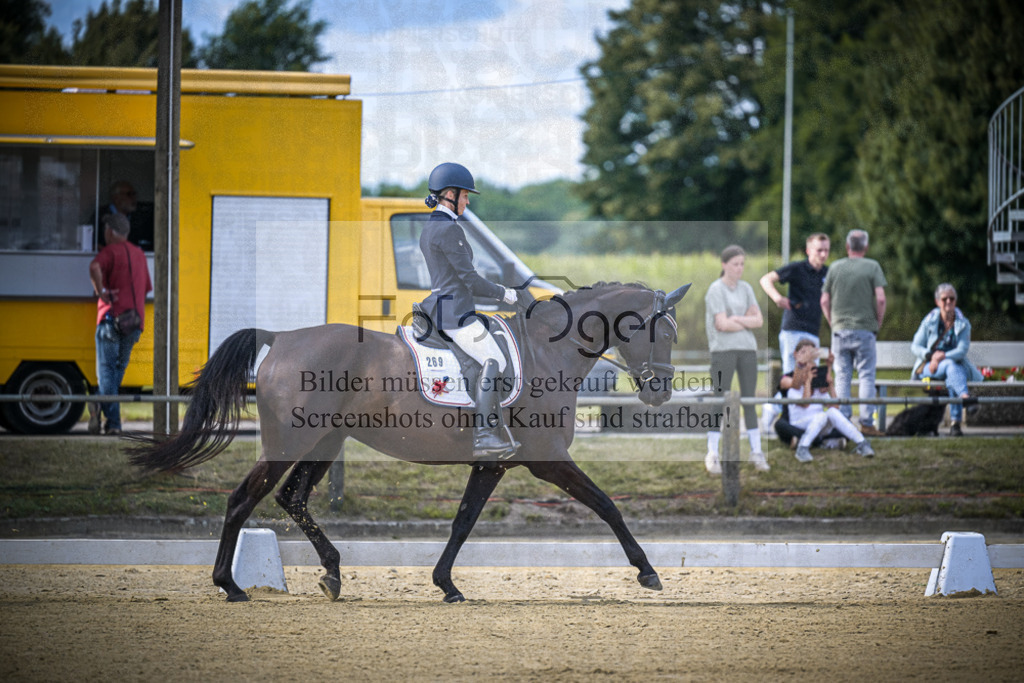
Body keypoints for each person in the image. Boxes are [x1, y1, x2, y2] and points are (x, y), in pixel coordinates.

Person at [417, 162, 520, 462]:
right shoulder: (448, 229)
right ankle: (485, 435)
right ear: (450, 194)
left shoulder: (432, 226)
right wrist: (507, 294)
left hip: (442, 306)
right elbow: (470, 280)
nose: (468, 201)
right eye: (465, 195)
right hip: (455, 314)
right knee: (495, 359)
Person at [703, 245, 769, 474]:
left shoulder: (747, 288)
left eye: (742, 264)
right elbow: (721, 324)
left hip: (747, 350)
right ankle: (712, 452)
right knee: (719, 399)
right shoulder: (715, 290)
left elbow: (758, 320)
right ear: (724, 265)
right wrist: (745, 320)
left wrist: (736, 319)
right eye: (735, 264)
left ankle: (756, 451)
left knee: (749, 400)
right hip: (723, 351)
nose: (740, 268)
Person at [758, 232, 831, 432]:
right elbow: (766, 280)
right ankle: (770, 416)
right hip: (793, 330)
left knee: (809, 378)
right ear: (809, 250)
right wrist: (777, 298)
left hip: (813, 332)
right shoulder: (797, 268)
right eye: (819, 250)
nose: (823, 255)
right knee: (793, 379)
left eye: (826, 250)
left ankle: (798, 419)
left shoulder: (828, 273)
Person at [88, 213, 152, 435]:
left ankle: (112, 421)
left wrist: (101, 292)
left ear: (110, 232)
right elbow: (145, 289)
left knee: (106, 372)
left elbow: (94, 267)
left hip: (110, 320)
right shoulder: (140, 255)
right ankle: (100, 406)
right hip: (134, 323)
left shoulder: (109, 251)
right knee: (116, 371)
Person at [820, 229, 887, 437]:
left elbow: (824, 300)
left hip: (840, 330)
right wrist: (878, 322)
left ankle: (844, 422)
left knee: (842, 376)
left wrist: (833, 323)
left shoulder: (835, 268)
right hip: (865, 329)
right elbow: (881, 298)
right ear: (865, 247)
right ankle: (867, 424)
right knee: (867, 375)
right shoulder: (872, 266)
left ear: (847, 247)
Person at [780, 339, 875, 462]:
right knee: (821, 416)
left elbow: (835, 408)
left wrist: (830, 385)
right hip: (799, 423)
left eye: (811, 354)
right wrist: (807, 381)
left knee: (830, 414)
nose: (809, 360)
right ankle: (802, 448)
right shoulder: (794, 386)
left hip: (817, 424)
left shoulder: (819, 386)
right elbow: (805, 404)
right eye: (804, 353)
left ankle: (862, 443)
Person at [910, 283, 982, 436]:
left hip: (952, 365)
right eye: (944, 299)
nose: (948, 302)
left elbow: (961, 351)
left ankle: (956, 422)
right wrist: (931, 356)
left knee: (952, 372)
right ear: (937, 302)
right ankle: (964, 402)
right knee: (953, 369)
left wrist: (942, 356)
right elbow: (915, 346)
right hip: (929, 367)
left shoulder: (963, 323)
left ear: (956, 301)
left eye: (952, 298)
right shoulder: (929, 320)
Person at [97, 180, 154, 250]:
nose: (134, 198)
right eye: (129, 194)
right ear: (116, 198)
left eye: (134, 194)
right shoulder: (99, 215)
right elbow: (92, 244)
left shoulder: (139, 217)